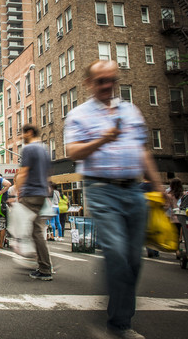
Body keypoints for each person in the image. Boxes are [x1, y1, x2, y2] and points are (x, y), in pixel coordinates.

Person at [65, 60, 163, 339]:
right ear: (89, 84)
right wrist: (103, 139)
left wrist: (159, 187)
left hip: (135, 190)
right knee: (117, 253)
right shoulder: (78, 115)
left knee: (134, 259)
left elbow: (143, 151)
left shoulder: (131, 111)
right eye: (100, 81)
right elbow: (73, 152)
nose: (107, 86)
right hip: (101, 189)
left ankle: (120, 318)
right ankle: (119, 325)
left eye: (111, 80)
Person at [15, 124, 52, 281]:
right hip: (42, 192)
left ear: (29, 132)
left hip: (30, 193)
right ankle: (43, 264)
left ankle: (38, 263)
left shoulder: (29, 149)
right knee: (36, 230)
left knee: (20, 226)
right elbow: (48, 172)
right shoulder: (45, 149)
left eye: (22, 134)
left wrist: (18, 191)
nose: (21, 137)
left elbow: (24, 172)